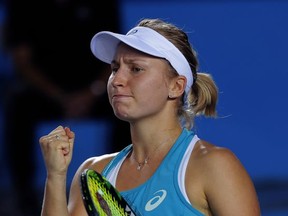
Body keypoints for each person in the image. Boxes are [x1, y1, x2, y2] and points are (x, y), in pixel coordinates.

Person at [39, 18, 261, 215]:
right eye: (115, 68)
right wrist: (56, 176)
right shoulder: (94, 174)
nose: (116, 80)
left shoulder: (215, 166)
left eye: (136, 69)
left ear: (176, 86)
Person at [3, 0, 130, 215]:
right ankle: (23, 194)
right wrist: (60, 97)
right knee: (18, 104)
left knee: (128, 103)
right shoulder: (21, 6)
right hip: (45, 93)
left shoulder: (103, 6)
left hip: (94, 90)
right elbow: (21, 61)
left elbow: (117, 55)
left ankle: (122, 187)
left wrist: (93, 92)